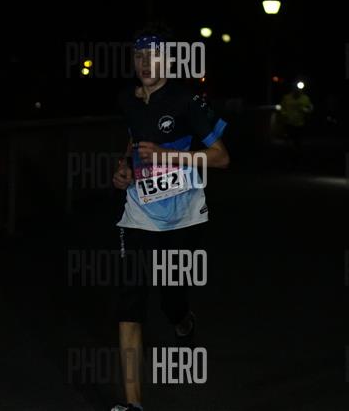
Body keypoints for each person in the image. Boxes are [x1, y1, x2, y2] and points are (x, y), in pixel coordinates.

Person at [110, 24, 230, 411]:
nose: (146, 64)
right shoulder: (128, 100)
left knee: (170, 297)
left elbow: (221, 158)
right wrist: (124, 168)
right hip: (138, 212)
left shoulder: (186, 101)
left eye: (154, 56)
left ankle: (183, 320)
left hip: (183, 217)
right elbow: (133, 140)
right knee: (129, 305)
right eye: (139, 56)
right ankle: (133, 404)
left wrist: (167, 155)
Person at [279, 83, 313, 167]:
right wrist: (284, 115)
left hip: (300, 124)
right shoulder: (287, 98)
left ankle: (297, 160)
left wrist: (305, 110)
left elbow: (310, 108)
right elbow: (282, 108)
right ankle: (289, 159)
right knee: (289, 143)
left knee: (298, 143)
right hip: (289, 123)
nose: (296, 90)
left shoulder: (305, 98)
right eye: (295, 89)